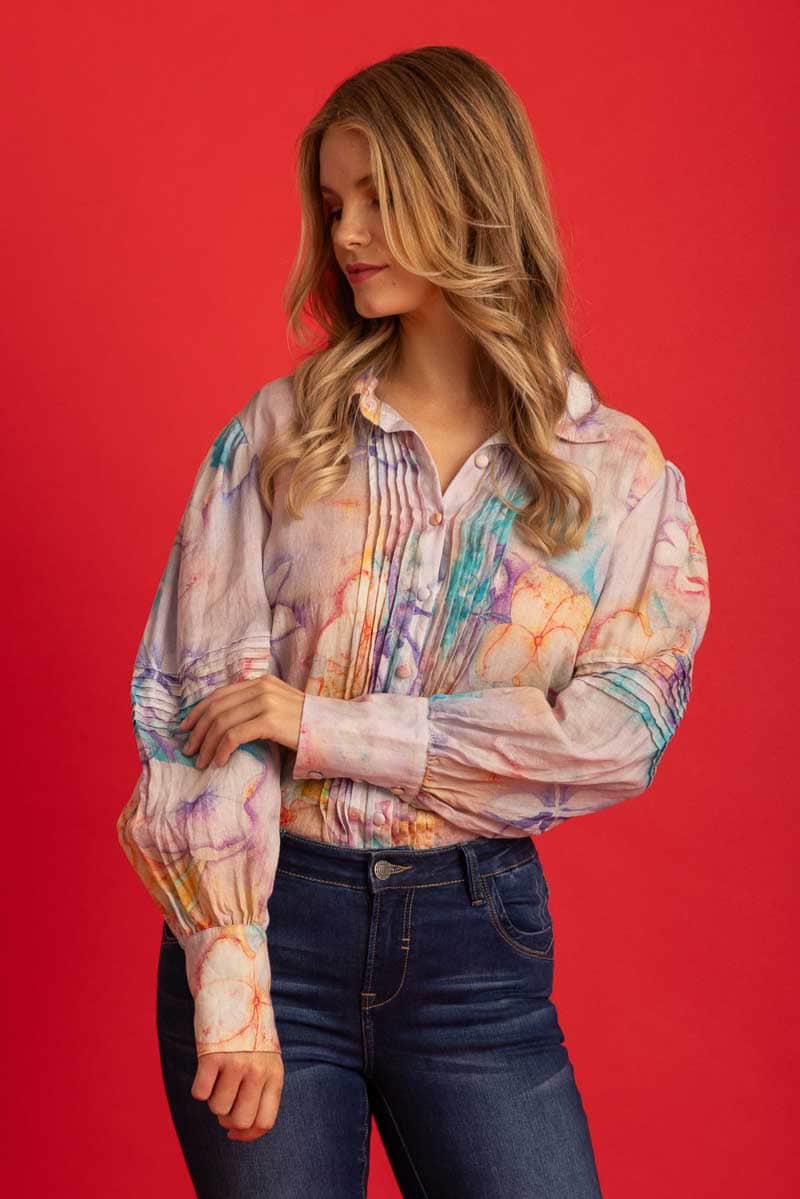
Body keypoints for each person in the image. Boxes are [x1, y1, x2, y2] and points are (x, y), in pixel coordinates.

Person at [117, 44, 711, 1199]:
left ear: (470, 194)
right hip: (269, 921)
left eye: (379, 198)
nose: (347, 233)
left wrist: (325, 724)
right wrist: (228, 970)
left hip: (475, 951)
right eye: (334, 202)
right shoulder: (281, 435)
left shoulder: (614, 473)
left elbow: (611, 736)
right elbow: (194, 700)